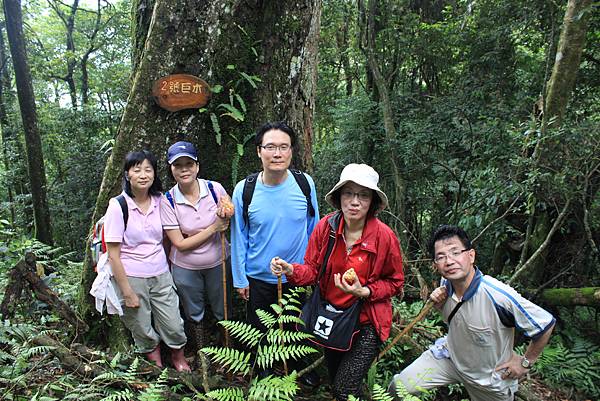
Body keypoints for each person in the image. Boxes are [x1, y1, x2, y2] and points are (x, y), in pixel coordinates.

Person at [271, 163, 405, 401]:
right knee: (340, 382)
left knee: (344, 387)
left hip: (366, 321)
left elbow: (395, 282)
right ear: (339, 197)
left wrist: (364, 290)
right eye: (349, 193)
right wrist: (291, 269)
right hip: (331, 317)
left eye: (363, 195)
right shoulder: (327, 228)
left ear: (372, 201)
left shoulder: (384, 236)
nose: (355, 201)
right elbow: (312, 270)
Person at [388, 225, 556, 401]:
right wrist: (439, 302)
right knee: (398, 388)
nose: (449, 261)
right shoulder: (446, 283)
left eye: (455, 252)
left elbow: (545, 324)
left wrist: (525, 363)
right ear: (435, 265)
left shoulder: (498, 296)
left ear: (471, 255)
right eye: (441, 257)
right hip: (449, 358)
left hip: (488, 380)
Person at [230, 121, 320, 380]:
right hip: (258, 276)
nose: (277, 153)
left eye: (283, 147)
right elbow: (239, 236)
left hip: (297, 274)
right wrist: (240, 278)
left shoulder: (305, 184)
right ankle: (265, 373)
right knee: (260, 329)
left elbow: (314, 229)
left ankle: (298, 369)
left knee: (297, 325)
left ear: (291, 151)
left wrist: (312, 270)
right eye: (270, 147)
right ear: (259, 151)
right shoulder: (244, 190)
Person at [104, 150, 190, 372]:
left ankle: (178, 358)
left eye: (148, 169)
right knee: (141, 326)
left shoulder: (160, 200)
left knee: (173, 323)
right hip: (131, 276)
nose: (143, 174)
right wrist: (126, 291)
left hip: (161, 273)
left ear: (154, 174)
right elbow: (113, 253)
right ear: (127, 174)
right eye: (137, 169)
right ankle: (156, 366)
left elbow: (169, 236)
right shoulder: (118, 205)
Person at [160, 141, 233, 358]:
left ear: (197, 166)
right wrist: (214, 227)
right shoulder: (168, 200)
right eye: (178, 165)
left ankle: (227, 355)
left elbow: (229, 209)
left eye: (189, 164)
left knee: (223, 310)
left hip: (219, 261)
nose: (184, 170)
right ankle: (203, 355)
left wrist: (226, 211)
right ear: (171, 170)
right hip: (185, 267)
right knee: (194, 312)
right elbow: (179, 244)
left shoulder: (214, 188)